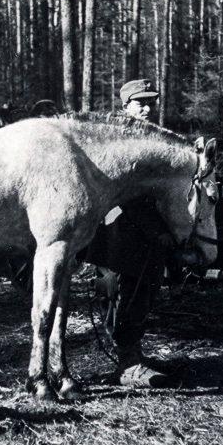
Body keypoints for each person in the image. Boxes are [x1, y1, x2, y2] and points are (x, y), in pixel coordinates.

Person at [85, 79, 197, 387]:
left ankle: (133, 356)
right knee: (123, 292)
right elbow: (125, 191)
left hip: (146, 230)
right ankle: (127, 364)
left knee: (143, 291)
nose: (148, 107)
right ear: (124, 107)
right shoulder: (116, 140)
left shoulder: (152, 139)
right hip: (118, 229)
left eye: (151, 101)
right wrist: (155, 228)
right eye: (140, 102)